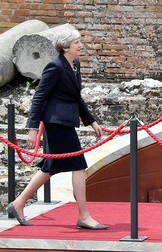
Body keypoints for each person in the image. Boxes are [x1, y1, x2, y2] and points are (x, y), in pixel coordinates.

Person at [6, 27, 108, 230]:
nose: (81, 45)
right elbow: (39, 97)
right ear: (65, 46)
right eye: (77, 42)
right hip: (56, 124)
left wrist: (91, 121)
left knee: (50, 167)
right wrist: (33, 128)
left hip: (66, 122)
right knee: (78, 165)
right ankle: (84, 216)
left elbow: (76, 97)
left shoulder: (74, 64)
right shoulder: (55, 67)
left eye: (80, 41)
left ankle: (18, 203)